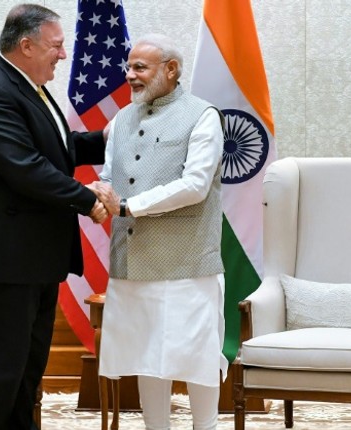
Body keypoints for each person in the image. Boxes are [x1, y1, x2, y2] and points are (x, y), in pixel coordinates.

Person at [0, 4, 109, 429]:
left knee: (24, 377)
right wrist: (87, 198)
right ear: (26, 45)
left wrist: (108, 140)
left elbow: (54, 146)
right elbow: (24, 167)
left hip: (31, 261)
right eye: (56, 46)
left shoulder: (23, 84)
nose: (63, 55)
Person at [93, 33, 226, 430]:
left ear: (171, 69)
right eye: (128, 66)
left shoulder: (203, 115)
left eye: (140, 67)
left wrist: (129, 206)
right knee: (147, 356)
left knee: (197, 358)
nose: (129, 75)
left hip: (188, 263)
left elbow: (195, 185)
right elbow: (109, 175)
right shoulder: (120, 118)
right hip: (132, 263)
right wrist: (100, 197)